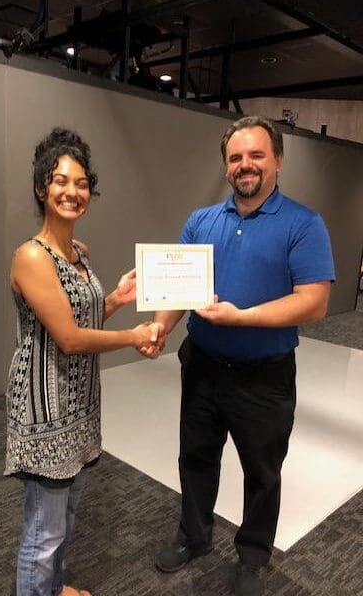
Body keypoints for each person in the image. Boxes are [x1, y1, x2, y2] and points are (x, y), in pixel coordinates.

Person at [142, 116, 335, 596]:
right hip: (203, 366)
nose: (245, 165)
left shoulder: (303, 224)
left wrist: (240, 316)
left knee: (262, 472)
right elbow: (179, 292)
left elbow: (313, 301)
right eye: (235, 157)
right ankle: (194, 536)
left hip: (265, 378)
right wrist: (160, 327)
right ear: (226, 166)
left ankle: (252, 555)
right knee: (196, 457)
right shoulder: (200, 221)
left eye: (256, 155)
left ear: (278, 161)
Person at [4, 127, 160, 596]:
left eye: (81, 183)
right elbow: (69, 339)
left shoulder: (79, 253)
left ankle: (53, 590)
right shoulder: (32, 257)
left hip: (78, 405)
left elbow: (81, 315)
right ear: (41, 188)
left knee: (68, 515)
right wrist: (133, 336)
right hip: (45, 411)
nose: (72, 192)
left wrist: (116, 297)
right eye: (60, 181)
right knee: (43, 532)